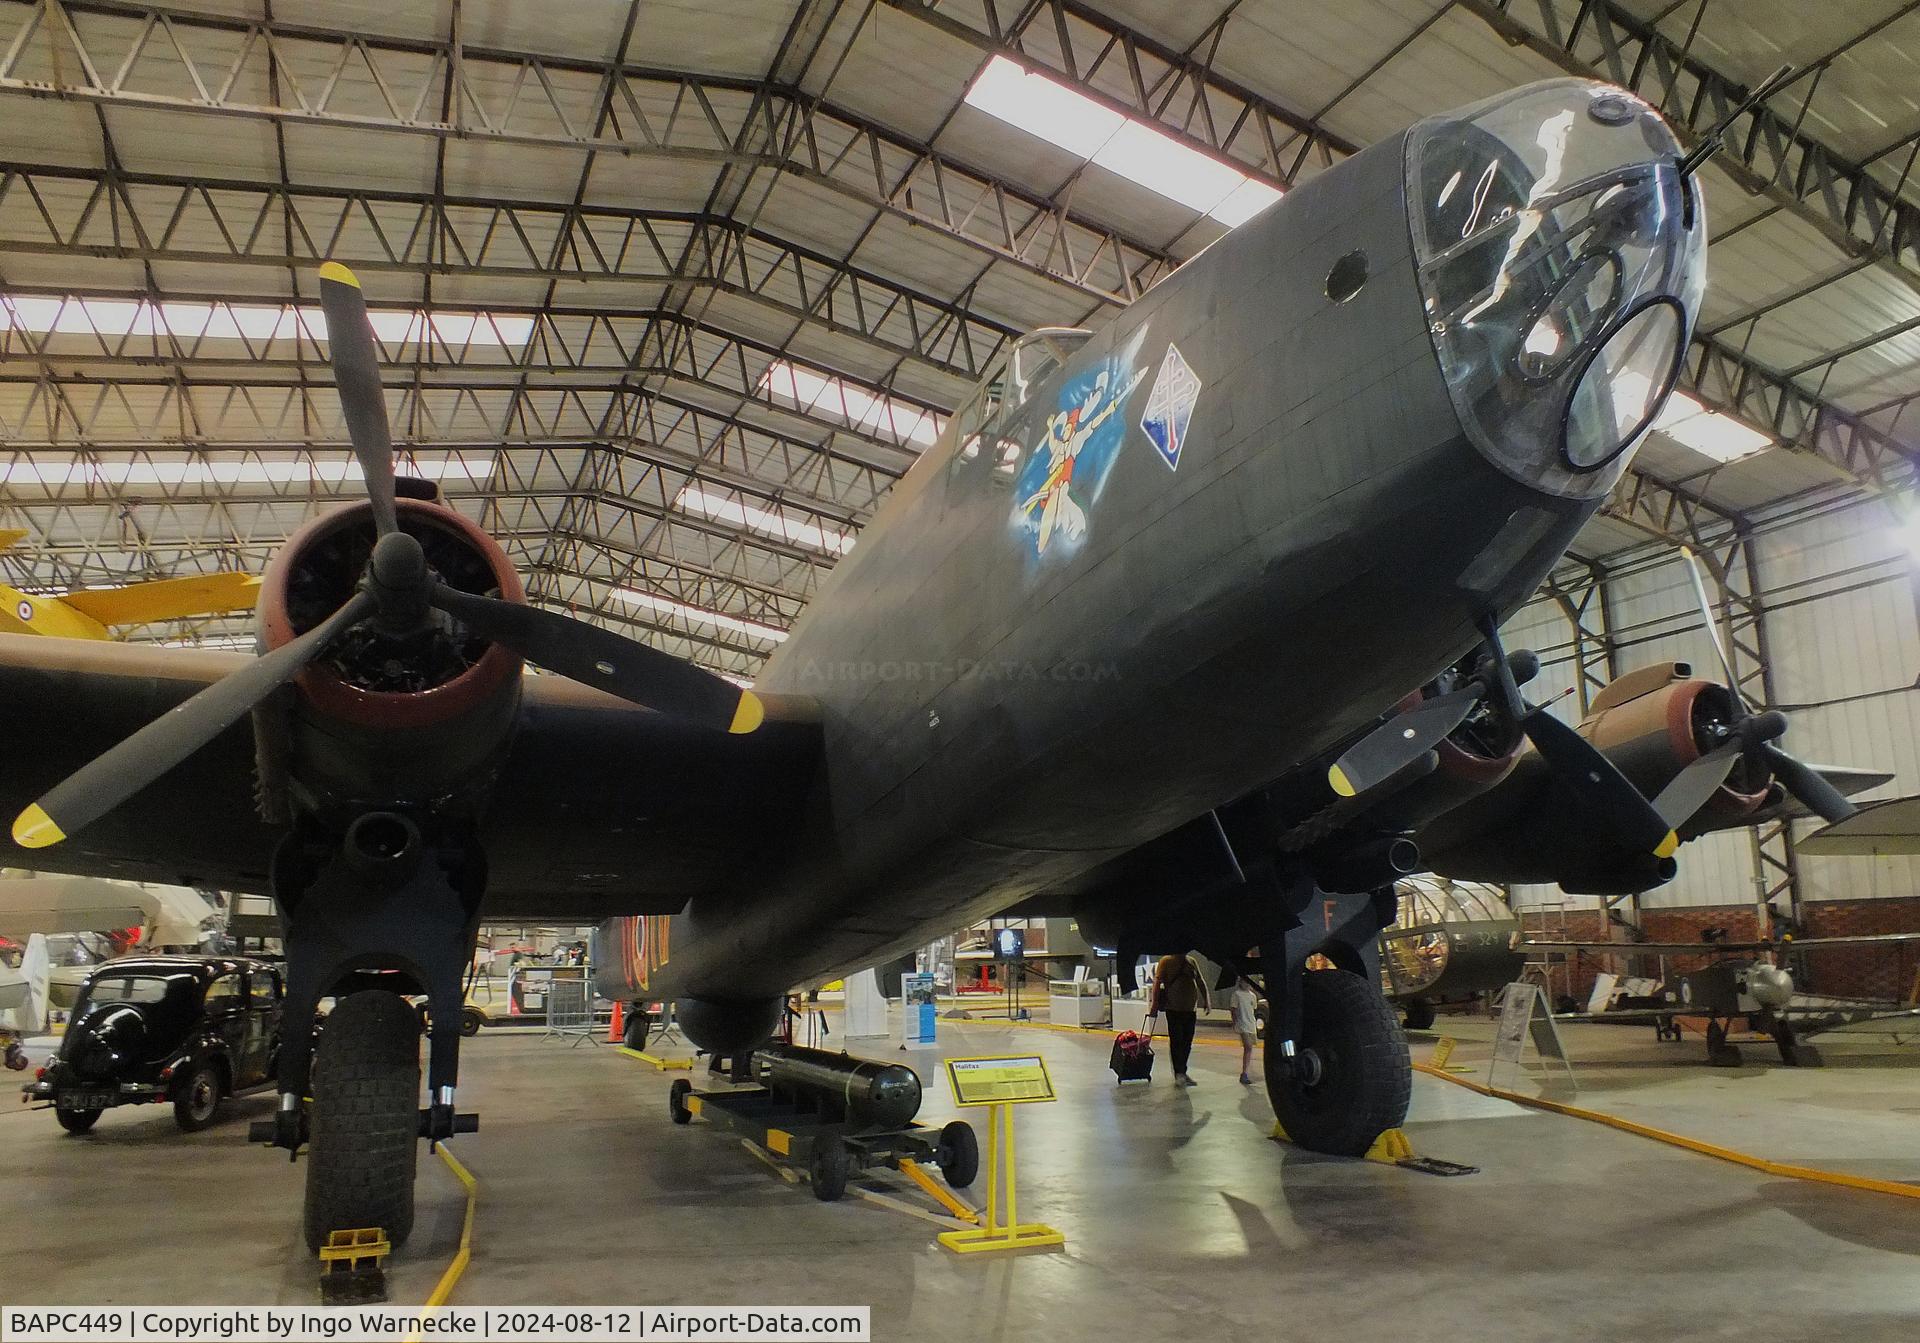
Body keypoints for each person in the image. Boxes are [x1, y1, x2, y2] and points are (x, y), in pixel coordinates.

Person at [1148, 953, 1210, 1086]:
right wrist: (1154, 1004)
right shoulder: (1166, 961)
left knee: (1187, 1042)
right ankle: (1179, 1073)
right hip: (1173, 1009)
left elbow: (1200, 980)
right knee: (1177, 1042)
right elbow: (1157, 982)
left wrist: (1207, 1000)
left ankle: (1183, 1071)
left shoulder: (1191, 961)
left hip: (1190, 1010)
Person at [1228, 978, 1260, 1085]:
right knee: (1248, 1046)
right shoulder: (1236, 995)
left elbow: (1253, 1010)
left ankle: (1245, 1071)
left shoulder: (1253, 996)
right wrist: (1235, 1022)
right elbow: (1233, 1009)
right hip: (1242, 1024)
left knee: (1249, 1049)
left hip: (1251, 1024)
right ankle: (1245, 1073)